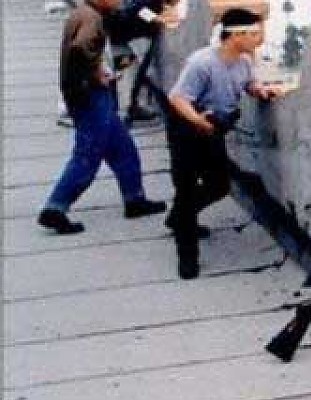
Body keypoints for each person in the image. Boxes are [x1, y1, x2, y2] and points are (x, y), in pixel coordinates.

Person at [165, 7, 278, 279]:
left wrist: (260, 90)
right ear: (236, 35)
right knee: (186, 189)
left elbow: (247, 84)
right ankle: (187, 257)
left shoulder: (244, 61)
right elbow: (178, 98)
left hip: (213, 128)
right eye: (254, 34)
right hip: (187, 128)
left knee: (218, 185)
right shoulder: (202, 63)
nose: (259, 39)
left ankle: (179, 217)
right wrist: (197, 121)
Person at [38, 0, 167, 235]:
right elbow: (81, 47)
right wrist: (96, 74)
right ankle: (55, 207)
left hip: (89, 94)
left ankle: (135, 199)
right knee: (87, 155)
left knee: (123, 148)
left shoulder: (86, 13)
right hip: (90, 96)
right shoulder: (92, 19)